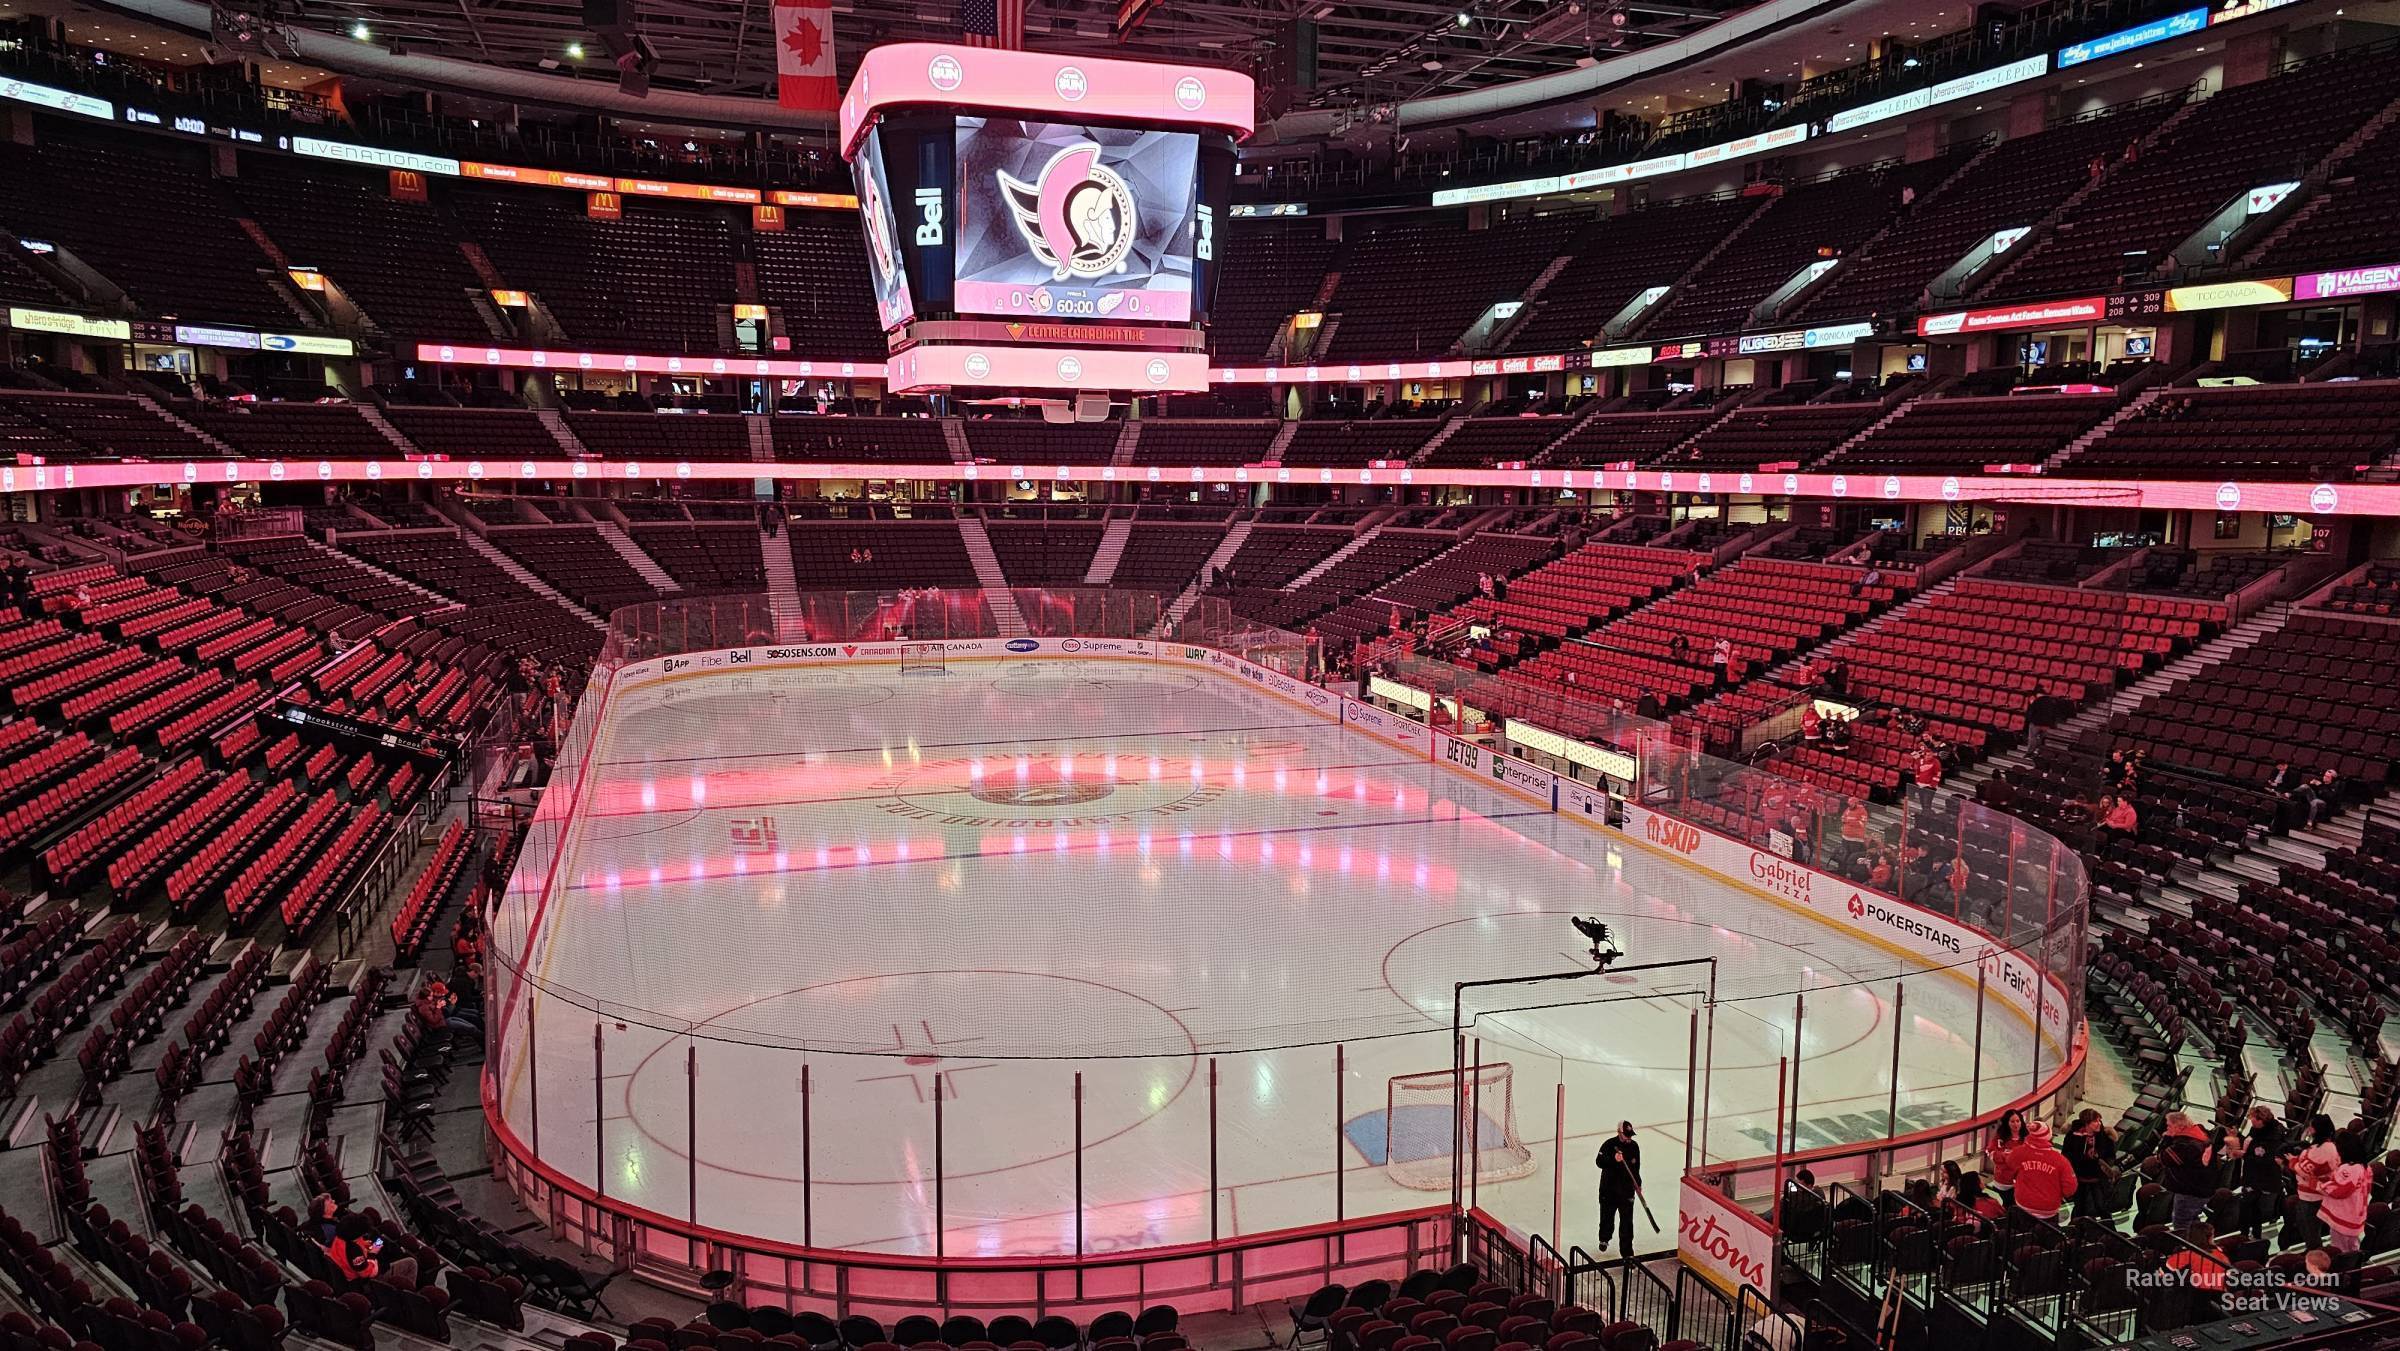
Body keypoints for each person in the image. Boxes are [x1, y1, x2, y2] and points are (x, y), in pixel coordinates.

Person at [2290, 1114, 2341, 1249]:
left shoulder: (2322, 1150)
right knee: (2310, 1230)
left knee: (2310, 1232)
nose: (2309, 1129)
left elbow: (2304, 1171)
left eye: (2312, 1127)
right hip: (2315, 1194)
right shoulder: (2329, 1146)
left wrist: (2292, 1162)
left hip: (2312, 1197)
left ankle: (2315, 1261)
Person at [2012, 1119, 2078, 1222]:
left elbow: (2009, 1166)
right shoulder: (2060, 1160)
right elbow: (2070, 1188)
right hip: (2048, 1209)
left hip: (2023, 1204)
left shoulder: (2019, 1152)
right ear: (2049, 1136)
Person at [2159, 1111, 2216, 1228]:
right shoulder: (2199, 1133)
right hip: (2204, 1188)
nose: (2167, 1128)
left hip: (2190, 1192)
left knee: (2181, 1224)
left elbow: (2162, 1158)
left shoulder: (2184, 1146)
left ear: (2179, 1127)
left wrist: (2166, 1138)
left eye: (2169, 1125)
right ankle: (2198, 1239)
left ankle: (2186, 1245)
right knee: (2192, 1220)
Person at [2237, 1105, 2286, 1238]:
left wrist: (2243, 1155)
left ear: (2261, 1120)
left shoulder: (2273, 1136)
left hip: (2262, 1177)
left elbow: (2266, 1159)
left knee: (2253, 1208)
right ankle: (2246, 1234)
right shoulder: (2257, 1129)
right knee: (2248, 1207)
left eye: (2253, 1120)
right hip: (2252, 1174)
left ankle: (2251, 1235)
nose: (2251, 1123)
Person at [1595, 1121, 1643, 1256]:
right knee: (1607, 1217)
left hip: (1627, 1191)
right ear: (1619, 1132)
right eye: (1626, 1135)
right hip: (1608, 1190)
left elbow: (1636, 1168)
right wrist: (1613, 1159)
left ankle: (1627, 1253)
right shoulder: (1609, 1144)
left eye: (1630, 1135)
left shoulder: (1634, 1146)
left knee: (1627, 1223)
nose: (1629, 1138)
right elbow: (1599, 1162)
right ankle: (1604, 1238)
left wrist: (1638, 1184)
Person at [2320, 1131, 2372, 1254]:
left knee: (2340, 1249)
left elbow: (2338, 1190)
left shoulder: (2348, 1169)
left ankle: (2345, 1271)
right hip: (2356, 1214)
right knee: (2352, 1246)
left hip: (2343, 1216)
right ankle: (2353, 1266)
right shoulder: (2366, 1167)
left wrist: (2319, 1185)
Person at [2063, 1108, 2119, 1217]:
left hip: (2098, 1178)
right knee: (2079, 1207)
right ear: (2087, 1123)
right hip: (2079, 1178)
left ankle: (2108, 1230)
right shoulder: (2072, 1136)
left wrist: (2103, 1164)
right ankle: (2077, 1230)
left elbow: (2111, 1156)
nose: (2099, 1123)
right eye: (2095, 1121)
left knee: (2101, 1206)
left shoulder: (2104, 1137)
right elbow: (2066, 1155)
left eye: (2099, 1120)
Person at [2164, 1222, 2230, 1294]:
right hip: (2218, 1293)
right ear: (2209, 1237)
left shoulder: (2188, 1254)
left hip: (2196, 1293)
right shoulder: (2220, 1255)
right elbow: (2228, 1272)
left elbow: (2170, 1265)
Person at [1989, 1109, 2031, 1204]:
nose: (2016, 1124)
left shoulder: (2027, 1138)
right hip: (2004, 1181)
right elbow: (1990, 1151)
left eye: (2018, 1121)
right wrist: (2005, 1156)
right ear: (2007, 1123)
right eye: (2012, 1121)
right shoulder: (2000, 1138)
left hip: (2022, 1181)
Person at [1780, 1167, 1827, 1242]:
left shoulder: (1796, 1198)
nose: (1798, 1188)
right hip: (1813, 1230)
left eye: (1800, 1185)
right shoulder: (1820, 1196)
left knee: (1775, 1213)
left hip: (1795, 1231)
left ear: (1809, 1185)